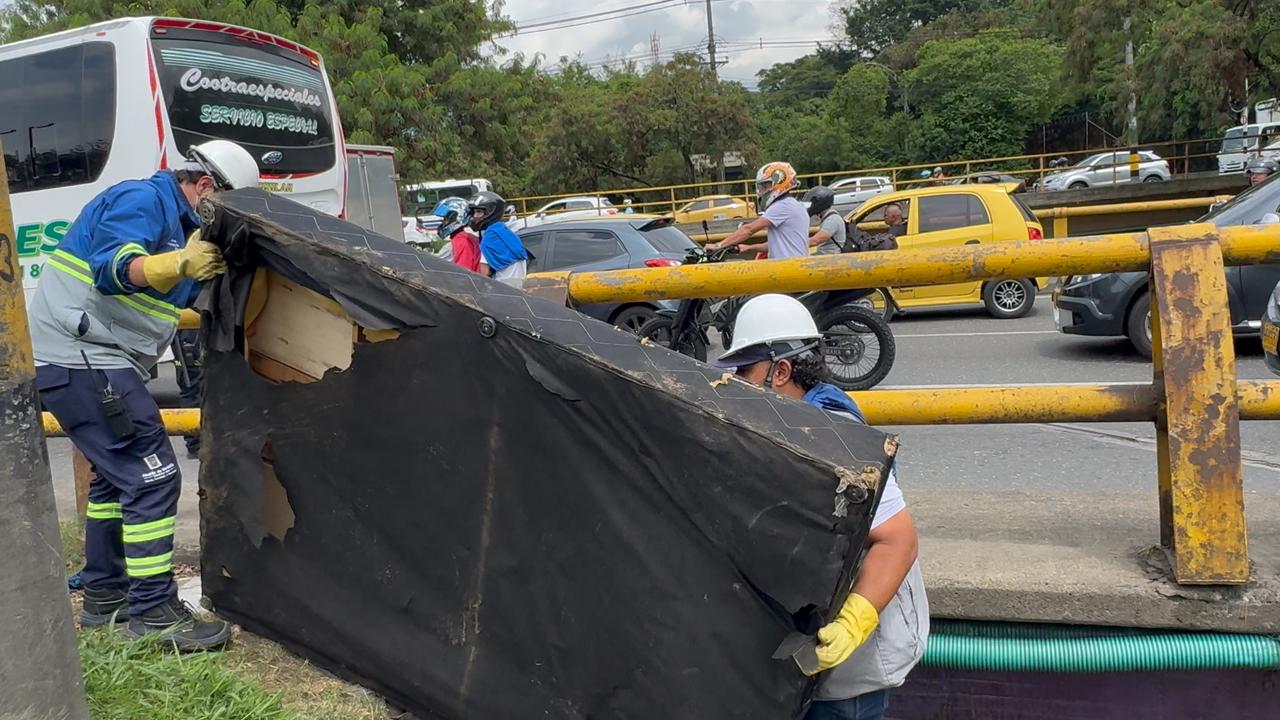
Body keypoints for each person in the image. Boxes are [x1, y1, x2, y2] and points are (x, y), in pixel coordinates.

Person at [28, 139, 259, 651]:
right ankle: (152, 609)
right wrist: (178, 264)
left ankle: (106, 595)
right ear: (204, 187)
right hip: (82, 356)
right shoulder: (142, 200)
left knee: (116, 484)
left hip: (90, 357)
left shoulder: (184, 228)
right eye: (227, 207)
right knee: (154, 475)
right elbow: (115, 270)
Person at [715, 294, 928, 720]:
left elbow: (898, 540)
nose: (735, 381)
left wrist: (852, 625)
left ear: (781, 370)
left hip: (852, 664)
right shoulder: (783, 426)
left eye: (745, 369)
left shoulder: (833, 434)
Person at [708, 162, 810, 260]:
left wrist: (718, 245)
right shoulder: (796, 205)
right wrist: (749, 248)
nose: (763, 191)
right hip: (795, 267)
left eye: (766, 186)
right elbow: (778, 245)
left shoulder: (781, 206)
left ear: (779, 182)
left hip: (787, 271)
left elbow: (749, 230)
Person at [469, 190, 529, 284]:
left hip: (503, 288)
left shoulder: (490, 237)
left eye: (479, 212)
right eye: (474, 212)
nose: (475, 216)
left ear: (491, 213)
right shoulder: (503, 231)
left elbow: (484, 272)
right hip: (519, 284)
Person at [433, 197, 480, 273]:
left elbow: (463, 271)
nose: (443, 223)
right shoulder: (470, 238)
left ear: (456, 218)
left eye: (445, 219)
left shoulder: (459, 243)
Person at [804, 186, 846, 255]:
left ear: (820, 203)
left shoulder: (832, 219)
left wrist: (795, 244)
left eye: (813, 203)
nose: (811, 205)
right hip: (825, 254)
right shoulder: (828, 216)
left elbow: (815, 241)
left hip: (830, 257)